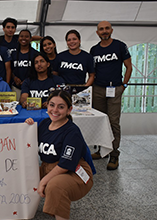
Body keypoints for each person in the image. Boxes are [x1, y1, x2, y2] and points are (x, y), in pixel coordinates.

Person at [25, 90, 94, 220]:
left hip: (75, 172)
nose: (55, 110)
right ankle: (21, 211)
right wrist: (27, 128)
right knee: (23, 178)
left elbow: (65, 165)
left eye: (61, 107)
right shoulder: (45, 124)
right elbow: (30, 144)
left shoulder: (72, 132)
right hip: (49, 168)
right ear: (47, 106)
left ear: (69, 110)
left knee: (55, 185)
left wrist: (43, 181)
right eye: (52, 105)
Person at [90, 21, 132, 170]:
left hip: (115, 89)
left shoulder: (120, 46)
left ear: (111, 30)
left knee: (113, 121)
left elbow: (129, 67)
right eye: (101, 29)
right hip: (98, 89)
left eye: (107, 28)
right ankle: (102, 150)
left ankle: (114, 154)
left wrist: (124, 85)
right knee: (100, 121)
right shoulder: (94, 50)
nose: (104, 31)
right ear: (97, 33)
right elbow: (92, 71)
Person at [11, 29, 39, 99]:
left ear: (30, 39)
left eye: (26, 36)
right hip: (15, 87)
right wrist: (14, 78)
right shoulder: (13, 53)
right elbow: (9, 69)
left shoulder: (35, 54)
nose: (24, 38)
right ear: (18, 38)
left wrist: (27, 80)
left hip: (31, 87)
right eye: (21, 36)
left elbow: (38, 71)